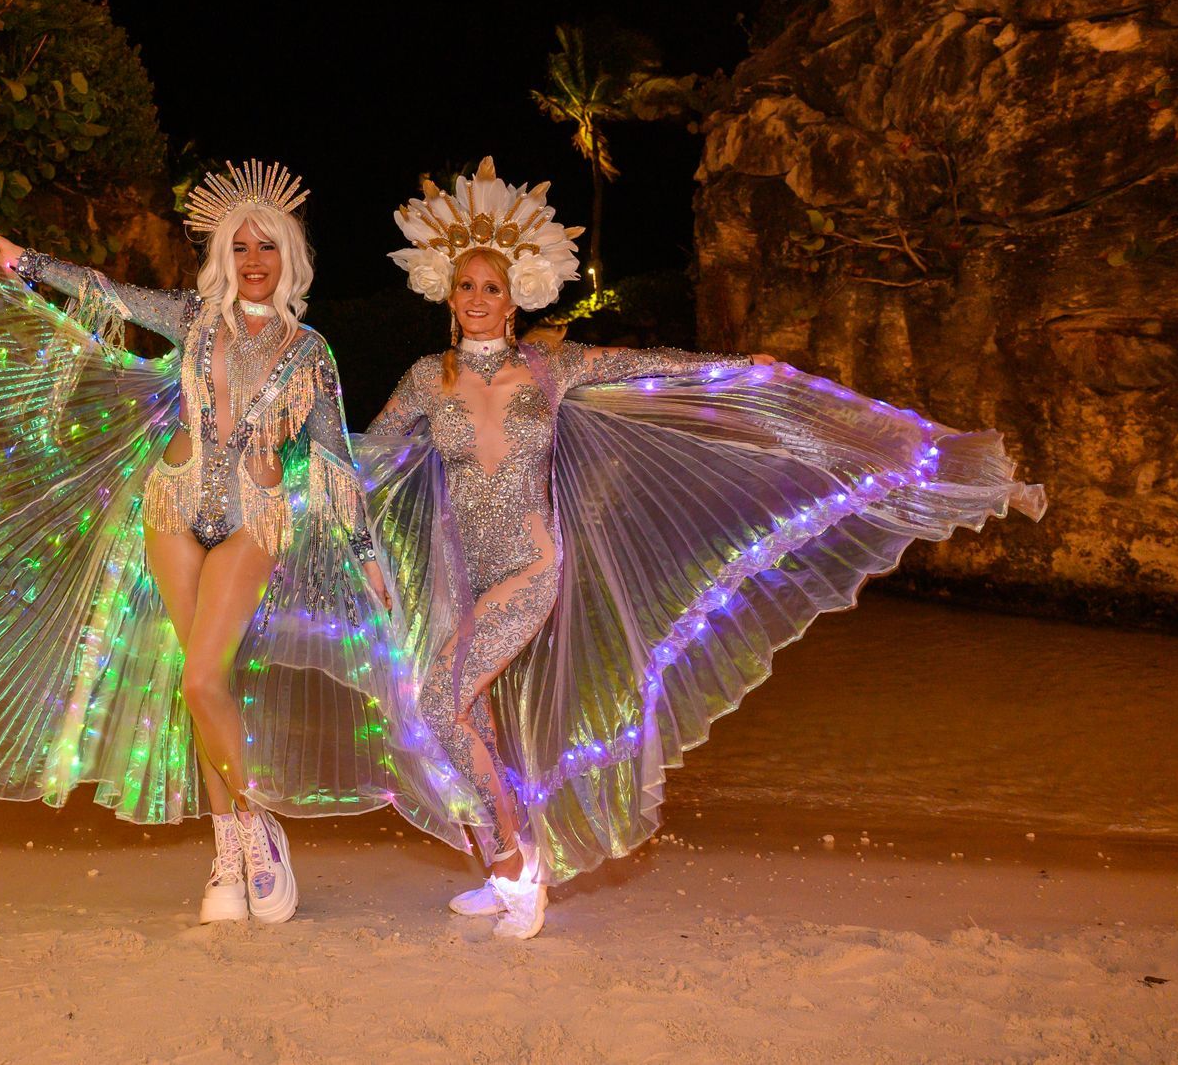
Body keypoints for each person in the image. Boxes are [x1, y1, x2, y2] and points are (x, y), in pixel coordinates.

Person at [0, 161, 467, 928]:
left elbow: (332, 461)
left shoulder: (311, 350)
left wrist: (365, 556)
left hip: (255, 518)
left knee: (203, 679)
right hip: (172, 504)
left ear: (290, 257)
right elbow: (106, 291)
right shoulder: (193, 316)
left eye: (268, 247)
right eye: (240, 246)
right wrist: (22, 259)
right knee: (199, 681)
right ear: (223, 255)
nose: (254, 260)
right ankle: (232, 845)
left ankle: (257, 831)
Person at [359, 158, 1046, 940]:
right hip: (461, 572)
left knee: (440, 703)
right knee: (467, 716)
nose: (479, 298)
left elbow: (653, 366)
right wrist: (361, 542)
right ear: (448, 296)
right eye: (467, 286)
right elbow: (369, 457)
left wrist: (738, 368)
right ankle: (501, 863)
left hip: (529, 566)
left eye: (492, 286)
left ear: (515, 299)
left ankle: (520, 864)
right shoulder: (427, 378)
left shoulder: (550, 366)